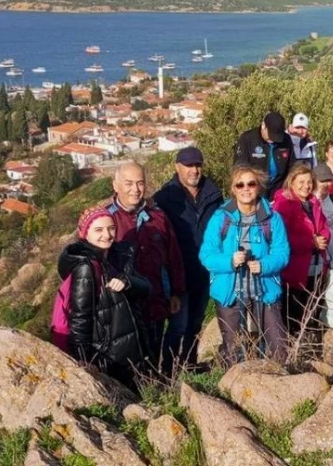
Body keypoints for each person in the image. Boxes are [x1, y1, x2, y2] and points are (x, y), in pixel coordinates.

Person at [200, 165, 290, 364]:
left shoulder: (272, 218)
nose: (246, 189)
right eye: (240, 184)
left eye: (251, 183)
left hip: (265, 289)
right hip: (229, 290)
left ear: (258, 187)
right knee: (233, 349)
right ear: (233, 188)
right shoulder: (220, 218)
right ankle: (232, 389)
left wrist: (264, 265)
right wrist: (229, 261)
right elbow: (206, 255)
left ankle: (278, 387)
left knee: (278, 347)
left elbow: (282, 253)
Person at [57, 206, 150, 389]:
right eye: (98, 230)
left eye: (111, 228)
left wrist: (127, 281)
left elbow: (147, 287)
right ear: (84, 233)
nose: (107, 235)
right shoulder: (86, 267)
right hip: (109, 358)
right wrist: (84, 363)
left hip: (129, 352)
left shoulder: (117, 254)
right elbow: (80, 320)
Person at [105, 162, 185, 374]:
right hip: (122, 308)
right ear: (116, 185)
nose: (135, 189)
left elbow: (173, 255)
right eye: (128, 183)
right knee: (126, 362)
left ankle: (153, 394)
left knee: (152, 355)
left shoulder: (158, 216)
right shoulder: (106, 219)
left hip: (155, 300)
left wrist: (176, 292)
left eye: (140, 183)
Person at [152, 146, 223, 366]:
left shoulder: (214, 194)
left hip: (204, 272)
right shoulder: (164, 197)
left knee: (195, 323)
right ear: (177, 167)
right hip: (178, 274)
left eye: (198, 165)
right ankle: (168, 371)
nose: (194, 170)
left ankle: (190, 364)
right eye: (189, 165)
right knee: (177, 326)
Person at [272, 164, 331, 333]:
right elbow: (282, 238)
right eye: (301, 181)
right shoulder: (283, 204)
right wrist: (310, 243)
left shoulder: (314, 202)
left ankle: (310, 343)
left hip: (316, 264)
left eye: (309, 181)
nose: (306, 185)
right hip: (295, 269)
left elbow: (324, 226)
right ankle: (293, 349)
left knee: (313, 309)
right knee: (294, 313)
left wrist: (324, 238)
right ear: (291, 182)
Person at [233, 112, 293, 197]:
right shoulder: (247, 139)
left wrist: (288, 187)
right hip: (255, 191)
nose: (273, 140)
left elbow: (292, 166)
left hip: (278, 191)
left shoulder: (286, 139)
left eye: (277, 137)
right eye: (271, 135)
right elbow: (240, 168)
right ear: (263, 126)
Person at [313, 164, 333, 262]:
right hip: (316, 259)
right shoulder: (309, 202)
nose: (326, 184)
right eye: (322, 181)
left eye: (329, 180)